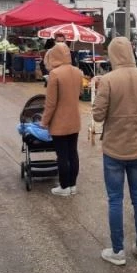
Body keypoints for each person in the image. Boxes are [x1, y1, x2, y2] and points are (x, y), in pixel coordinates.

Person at [92, 37, 137, 265]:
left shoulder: (108, 80)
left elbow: (98, 115)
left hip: (114, 148)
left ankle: (118, 250)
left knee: (115, 199)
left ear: (113, 55)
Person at [40, 43, 84, 196]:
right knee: (73, 153)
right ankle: (72, 185)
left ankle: (63, 186)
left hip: (59, 122)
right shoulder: (78, 71)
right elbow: (80, 92)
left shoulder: (55, 74)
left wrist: (44, 121)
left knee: (62, 155)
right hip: (74, 119)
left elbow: (51, 103)